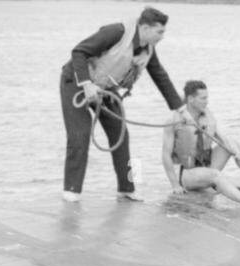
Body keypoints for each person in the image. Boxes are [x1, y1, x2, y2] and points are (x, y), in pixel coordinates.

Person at [60, 7, 191, 202]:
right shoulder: (116, 32)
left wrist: (181, 110)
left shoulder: (148, 48)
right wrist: (86, 84)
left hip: (105, 90)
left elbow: (160, 77)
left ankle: (127, 188)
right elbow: (78, 51)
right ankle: (71, 191)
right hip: (77, 83)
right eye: (160, 32)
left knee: (122, 135)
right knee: (80, 135)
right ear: (145, 28)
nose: (162, 36)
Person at [163, 81, 240, 213]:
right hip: (187, 173)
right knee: (215, 175)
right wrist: (174, 185)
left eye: (207, 97)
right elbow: (165, 154)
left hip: (207, 164)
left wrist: (237, 152)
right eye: (203, 98)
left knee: (236, 144)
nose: (207, 102)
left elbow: (222, 138)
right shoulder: (174, 120)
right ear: (190, 99)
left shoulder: (207, 115)